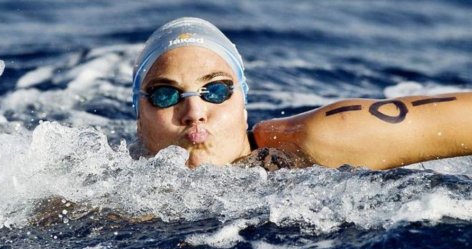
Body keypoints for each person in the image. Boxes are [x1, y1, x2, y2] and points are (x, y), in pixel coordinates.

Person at [131, 17, 472, 170]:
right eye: (165, 95)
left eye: (216, 90)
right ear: (139, 119)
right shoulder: (100, 185)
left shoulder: (315, 142)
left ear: (243, 104)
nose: (194, 111)